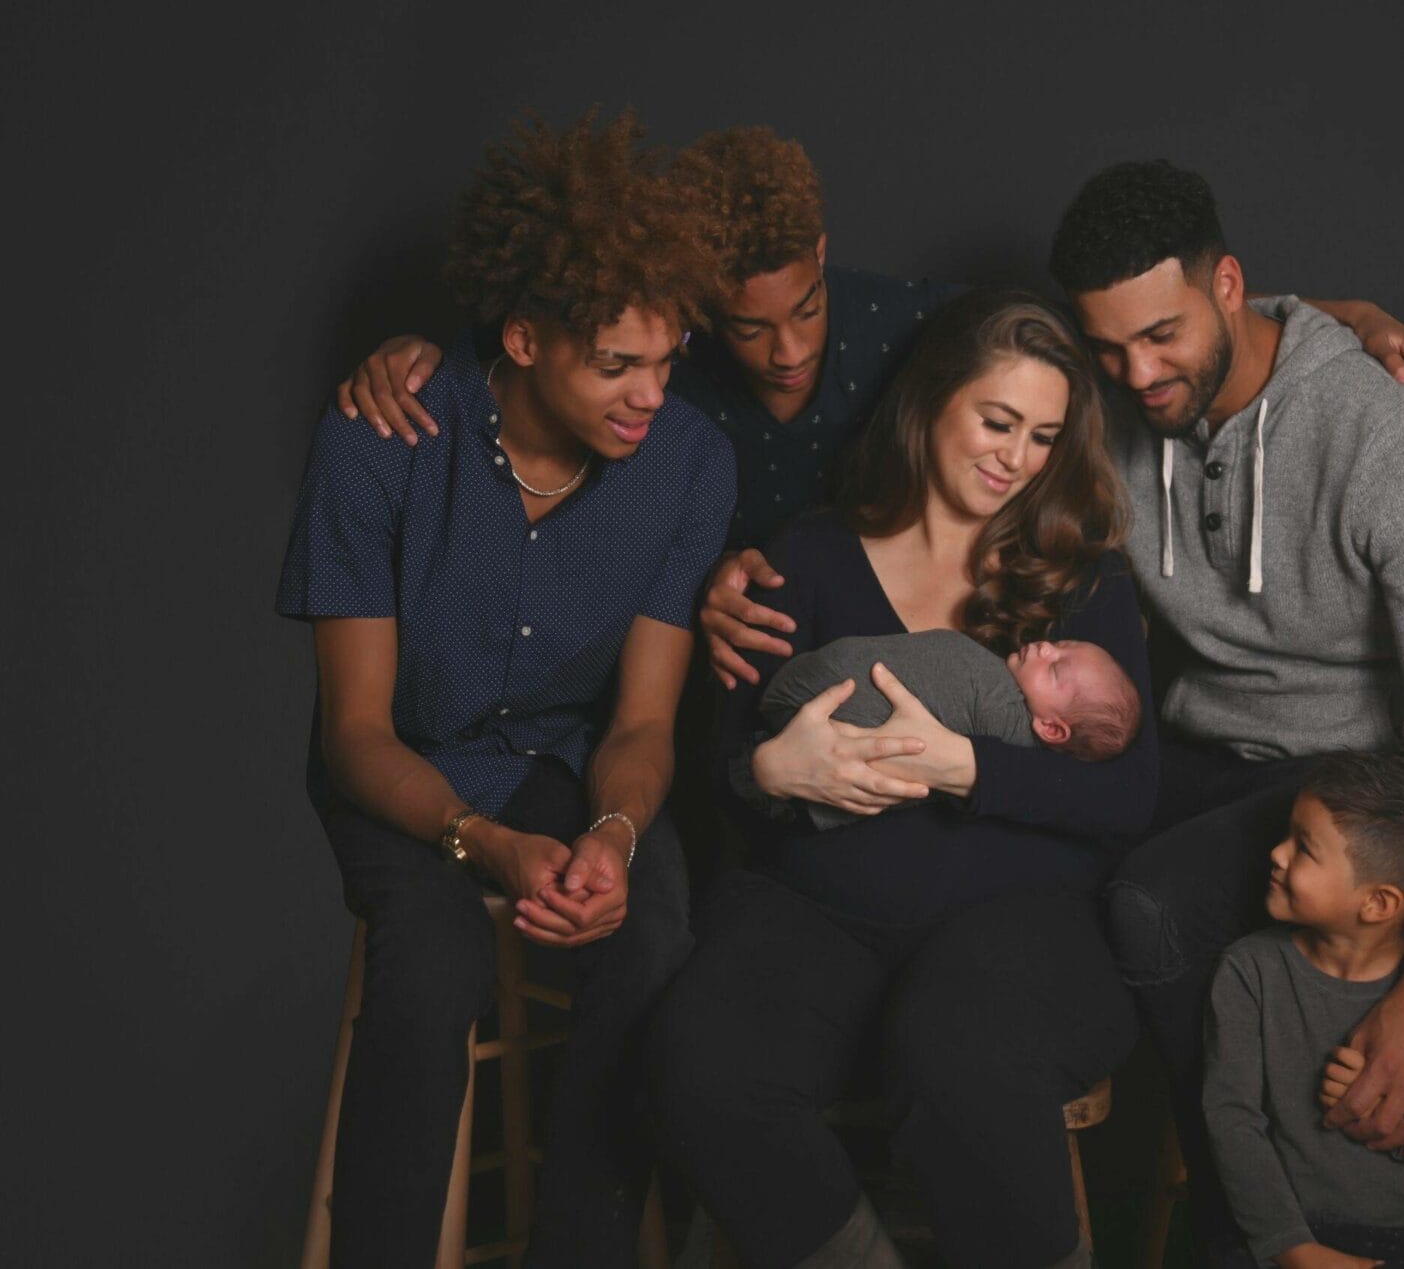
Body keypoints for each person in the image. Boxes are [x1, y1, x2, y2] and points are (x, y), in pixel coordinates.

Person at [334, 127, 1404, 683]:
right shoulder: (662, 380)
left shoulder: (904, 324)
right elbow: (563, 345)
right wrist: (433, 348)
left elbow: (1114, 335)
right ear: (691, 312)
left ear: (828, 260)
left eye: (806, 309)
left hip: (918, 646)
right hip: (722, 654)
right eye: (745, 327)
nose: (785, 350)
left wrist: (1326, 313)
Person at [1043, 160, 1404, 1269]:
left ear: (1229, 286)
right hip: (1187, 746)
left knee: (1153, 905)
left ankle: (1259, 1239)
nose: (1137, 371)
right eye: (1110, 346)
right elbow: (941, 344)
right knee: (1004, 856)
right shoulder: (1113, 387)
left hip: (1338, 773)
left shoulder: (1392, 426)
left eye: (1161, 335)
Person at [275, 111, 734, 1268]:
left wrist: (617, 836)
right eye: (615, 364)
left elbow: (639, 720)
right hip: (408, 773)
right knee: (435, 969)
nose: (650, 393)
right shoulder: (381, 441)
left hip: (569, 762)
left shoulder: (689, 463)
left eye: (667, 357)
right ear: (522, 340)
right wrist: (479, 841)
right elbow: (358, 733)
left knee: (655, 936)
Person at [644, 288, 1149, 1269]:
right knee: (697, 1062)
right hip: (817, 910)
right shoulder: (808, 555)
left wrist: (966, 765)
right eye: (997, 421)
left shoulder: (1083, 581)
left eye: (1045, 435)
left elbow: (1126, 796)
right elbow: (721, 761)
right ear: (932, 405)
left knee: (961, 1052)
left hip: (1016, 919)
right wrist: (767, 765)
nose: (1016, 457)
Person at [1204, 753, 1404, 1269]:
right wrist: (1294, 1249)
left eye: (1304, 848)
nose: (1277, 854)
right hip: (1291, 1234)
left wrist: (1403, 1118)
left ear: (1377, 904)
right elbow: (1232, 1121)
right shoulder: (1249, 972)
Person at [761, 630, 1140, 827]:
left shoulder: (1011, 725)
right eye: (1060, 644)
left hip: (809, 718)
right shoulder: (1001, 688)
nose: (1044, 648)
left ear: (1051, 730)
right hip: (800, 706)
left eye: (1055, 669)